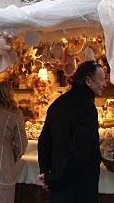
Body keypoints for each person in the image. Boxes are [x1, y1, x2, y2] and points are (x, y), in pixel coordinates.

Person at [37, 61, 107, 203]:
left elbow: (44, 141)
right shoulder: (88, 108)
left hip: (58, 187)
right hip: (79, 187)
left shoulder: (58, 103)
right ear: (88, 80)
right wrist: (54, 177)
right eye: (101, 79)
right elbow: (80, 152)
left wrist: (47, 174)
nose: (104, 84)